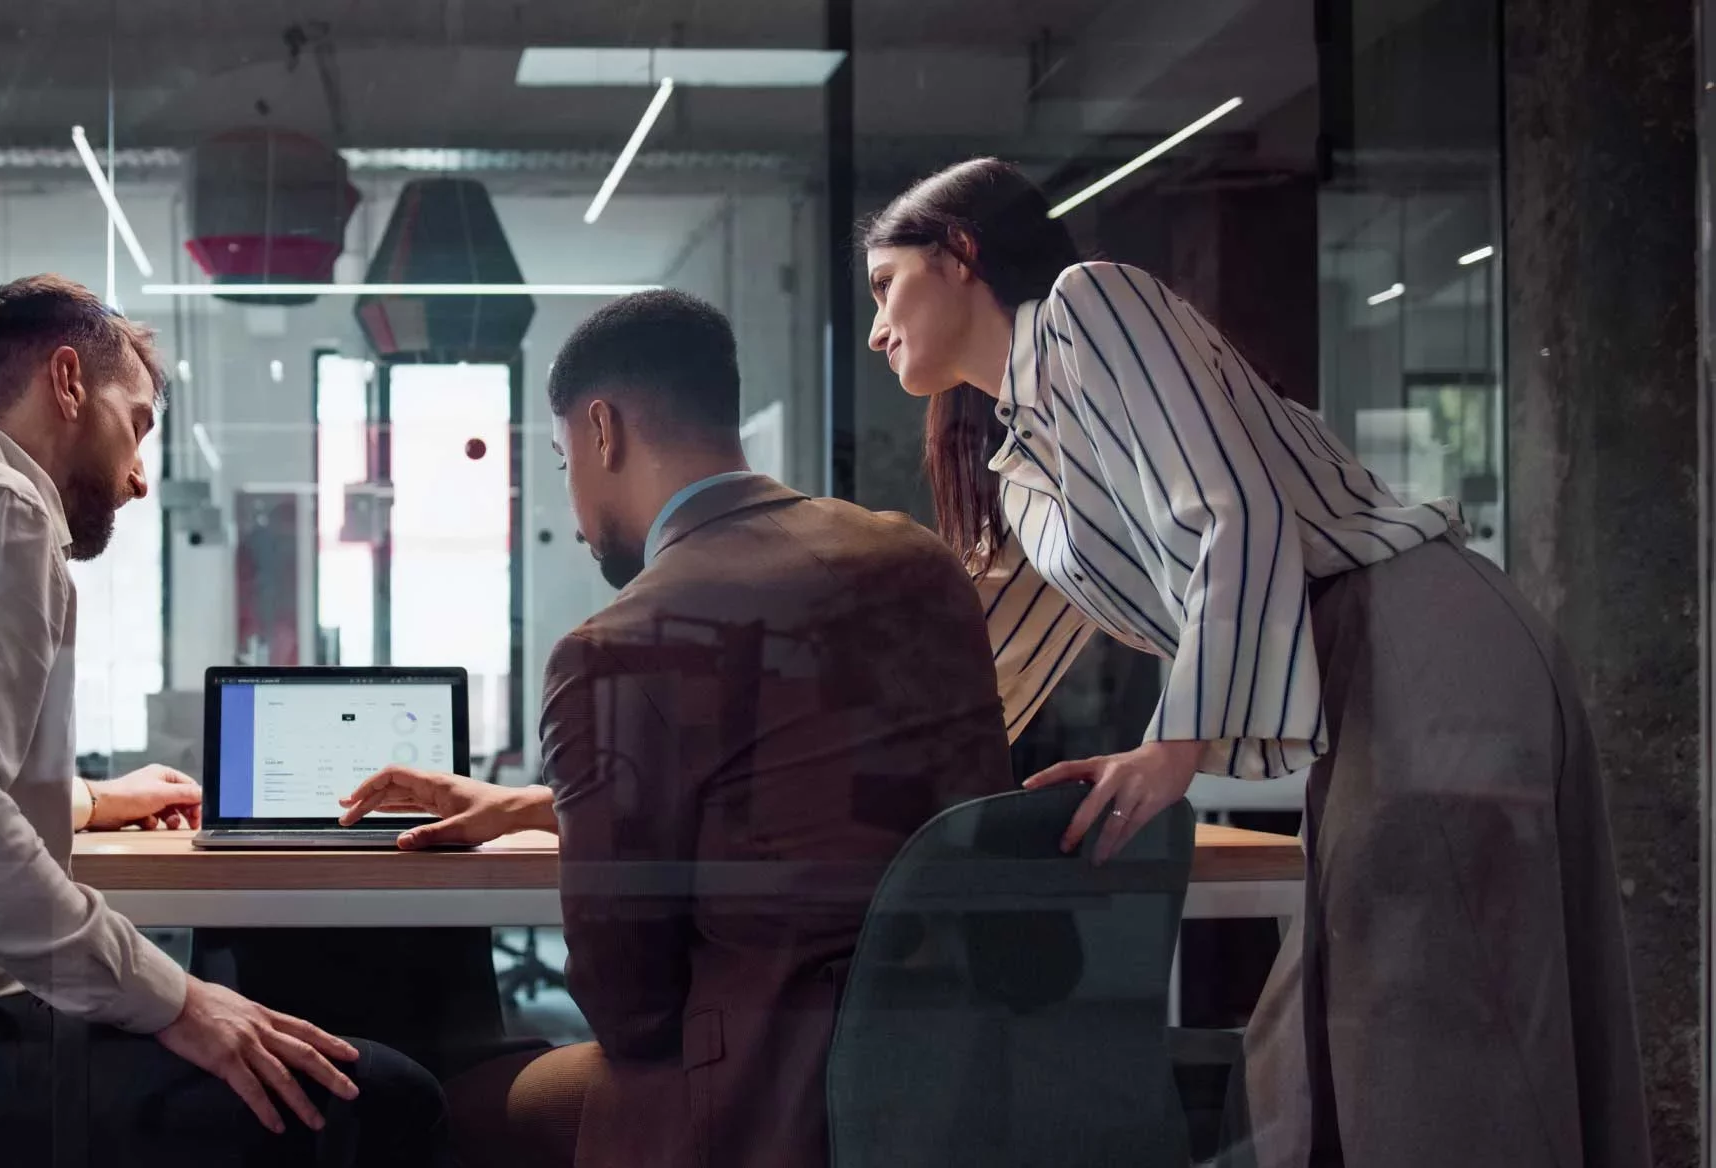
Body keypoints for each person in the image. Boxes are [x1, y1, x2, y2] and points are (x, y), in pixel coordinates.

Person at [861, 157, 1649, 1167]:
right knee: (1323, 1054)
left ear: (959, 253)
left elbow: (1234, 510)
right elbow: (991, 669)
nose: (877, 328)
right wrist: (864, 791)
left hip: (1415, 633)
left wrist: (1173, 747)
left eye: (885, 284)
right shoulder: (1023, 470)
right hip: (1357, 678)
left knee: (1437, 1036)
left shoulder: (1090, 307)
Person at [0, 275, 447, 1168]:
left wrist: (95, 800)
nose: (139, 478)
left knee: (253, 1021)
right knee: (383, 1096)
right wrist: (176, 1002)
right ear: (67, 382)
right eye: (137, 426)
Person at [333, 290, 1014, 1168]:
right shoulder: (919, 562)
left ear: (602, 431)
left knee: (426, 1105)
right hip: (956, 1081)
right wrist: (542, 806)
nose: (573, 506)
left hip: (754, 1110)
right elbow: (826, 797)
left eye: (562, 461)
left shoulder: (616, 647)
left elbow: (632, 1012)